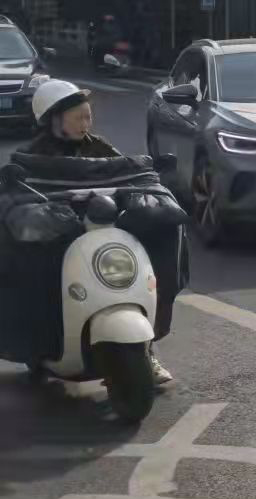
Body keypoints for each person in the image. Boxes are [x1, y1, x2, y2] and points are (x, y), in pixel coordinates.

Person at [22, 81, 173, 386]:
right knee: (37, 277)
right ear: (55, 119)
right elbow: (21, 197)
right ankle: (41, 344)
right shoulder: (31, 157)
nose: (85, 124)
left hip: (104, 231)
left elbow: (127, 172)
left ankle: (147, 351)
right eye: (78, 118)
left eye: (88, 116)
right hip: (61, 238)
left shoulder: (99, 147)